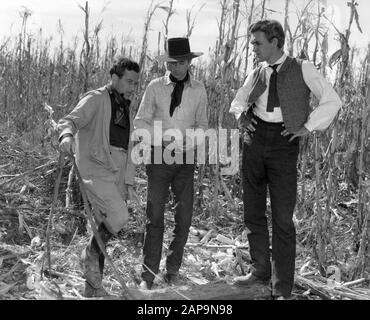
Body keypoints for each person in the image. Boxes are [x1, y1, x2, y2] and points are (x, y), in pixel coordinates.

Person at [229, 20, 342, 299]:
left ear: (275, 41)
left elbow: (332, 100)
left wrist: (307, 126)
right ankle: (259, 271)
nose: (252, 47)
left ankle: (281, 288)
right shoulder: (257, 72)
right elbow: (238, 101)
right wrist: (242, 117)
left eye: (257, 42)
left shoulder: (302, 68)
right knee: (253, 211)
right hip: (254, 142)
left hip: (284, 144)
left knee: (282, 217)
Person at [58, 56, 140, 297]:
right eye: (128, 81)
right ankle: (89, 253)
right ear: (114, 78)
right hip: (96, 168)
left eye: (135, 83)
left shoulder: (125, 103)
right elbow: (70, 120)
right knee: (119, 216)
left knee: (100, 223)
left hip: (117, 170)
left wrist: (129, 179)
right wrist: (65, 135)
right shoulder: (96, 98)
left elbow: (128, 143)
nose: (132, 87)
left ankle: (93, 288)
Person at [134, 37, 208, 290]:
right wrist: (162, 141)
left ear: (189, 62)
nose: (176, 68)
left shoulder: (199, 90)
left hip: (185, 159)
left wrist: (189, 144)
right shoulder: (155, 87)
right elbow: (141, 122)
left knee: (184, 217)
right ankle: (148, 275)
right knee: (154, 215)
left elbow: (202, 125)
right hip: (158, 157)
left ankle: (173, 269)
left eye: (181, 63)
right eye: (172, 63)